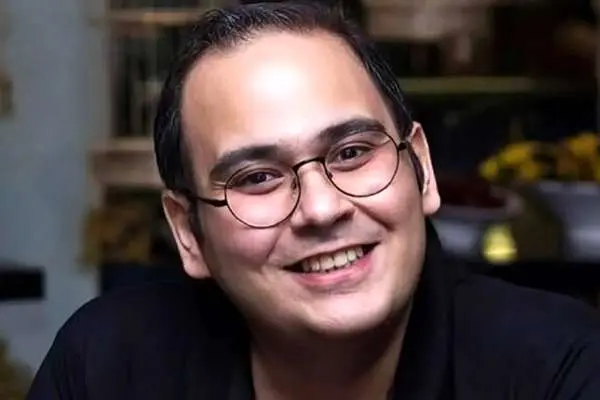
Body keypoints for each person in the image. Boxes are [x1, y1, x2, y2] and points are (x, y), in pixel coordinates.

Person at [27, 2, 600, 399]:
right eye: (257, 178)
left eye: (351, 153)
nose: (322, 209)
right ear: (188, 233)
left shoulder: (556, 366)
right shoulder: (106, 368)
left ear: (422, 170)